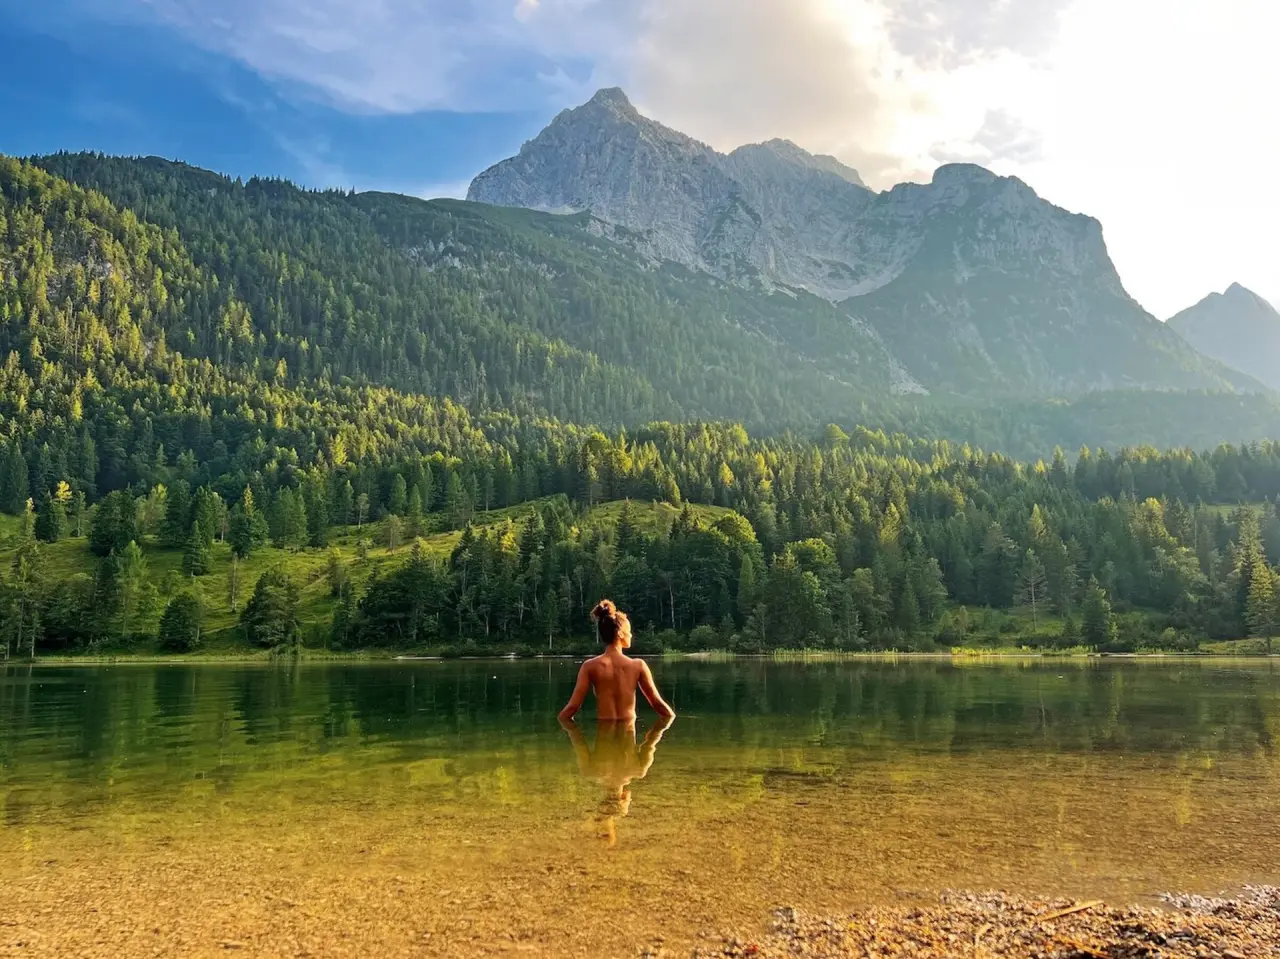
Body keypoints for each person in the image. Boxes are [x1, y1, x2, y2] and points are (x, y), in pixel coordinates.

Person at [558, 600, 675, 722]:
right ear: (620, 633)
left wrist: (570, 734)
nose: (631, 635)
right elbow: (659, 706)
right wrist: (653, 738)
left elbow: (572, 708)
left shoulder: (589, 666)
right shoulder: (638, 665)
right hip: (628, 733)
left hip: (604, 736)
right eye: (629, 632)